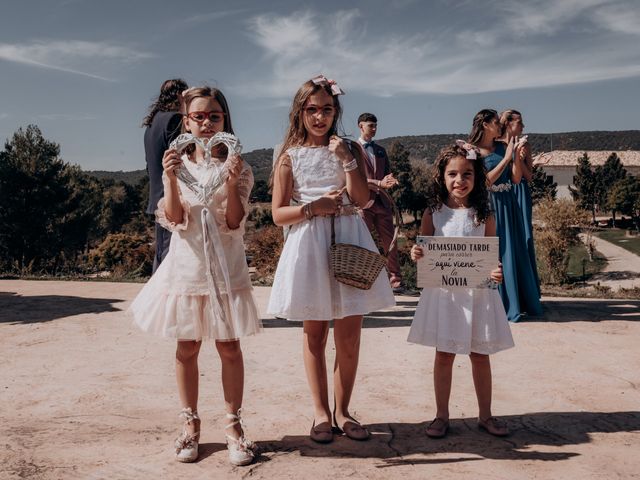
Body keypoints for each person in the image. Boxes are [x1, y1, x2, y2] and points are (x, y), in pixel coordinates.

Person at [130, 86, 262, 466]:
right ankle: (190, 424)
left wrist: (233, 183)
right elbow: (173, 220)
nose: (206, 123)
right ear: (185, 121)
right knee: (186, 347)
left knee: (229, 347)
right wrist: (170, 179)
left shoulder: (240, 166)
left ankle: (234, 425)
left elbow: (235, 221)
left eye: (214, 117)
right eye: (199, 116)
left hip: (226, 266)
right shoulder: (178, 163)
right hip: (186, 266)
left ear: (225, 121)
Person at [267, 76, 395, 443]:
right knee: (315, 334)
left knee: (351, 337)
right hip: (309, 243)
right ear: (300, 112)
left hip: (348, 237)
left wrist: (347, 162)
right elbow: (277, 214)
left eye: (326, 109)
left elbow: (362, 200)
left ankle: (344, 410)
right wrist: (311, 208)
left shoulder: (350, 147)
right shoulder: (288, 154)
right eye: (312, 110)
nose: (319, 117)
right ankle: (321, 413)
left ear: (335, 111)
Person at [408, 143, 514, 438]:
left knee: (480, 355)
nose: (460, 180)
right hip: (445, 296)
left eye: (467, 173)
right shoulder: (434, 213)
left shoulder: (485, 215)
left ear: (476, 177)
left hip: (478, 296)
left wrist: (495, 272)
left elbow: (491, 259)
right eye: (452, 173)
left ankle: (486, 415)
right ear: (441, 176)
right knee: (444, 355)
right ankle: (441, 416)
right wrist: (416, 253)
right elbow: (423, 250)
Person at [469, 109, 543, 322]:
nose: (499, 125)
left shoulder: (503, 146)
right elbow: (482, 183)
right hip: (487, 206)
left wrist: (516, 158)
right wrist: (507, 158)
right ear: (484, 124)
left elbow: (516, 179)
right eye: (495, 122)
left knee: (512, 249)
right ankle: (489, 303)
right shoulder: (471, 151)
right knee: (493, 251)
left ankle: (515, 303)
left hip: (508, 204)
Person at [142, 78, 189, 272]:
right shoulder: (174, 119)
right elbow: (182, 160)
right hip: (170, 198)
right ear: (179, 95)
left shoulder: (152, 124)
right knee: (170, 257)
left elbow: (148, 165)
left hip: (157, 196)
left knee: (162, 254)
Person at [357, 113, 402, 293]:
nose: (374, 129)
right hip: (362, 202)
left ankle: (396, 280)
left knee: (391, 242)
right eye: (371, 126)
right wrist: (377, 183)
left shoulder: (381, 150)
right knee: (363, 242)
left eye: (376, 125)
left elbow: (387, 173)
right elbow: (355, 178)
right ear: (361, 126)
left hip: (382, 203)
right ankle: (363, 279)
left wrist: (390, 180)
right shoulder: (353, 149)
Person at [499, 109, 541, 296]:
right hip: (502, 191)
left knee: (524, 237)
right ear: (508, 123)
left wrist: (519, 157)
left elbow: (529, 176)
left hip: (520, 190)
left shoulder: (526, 145)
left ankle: (525, 291)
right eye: (520, 122)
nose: (523, 126)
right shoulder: (496, 145)